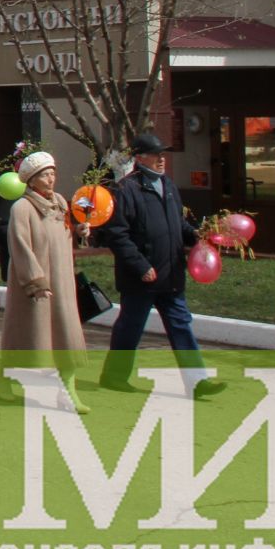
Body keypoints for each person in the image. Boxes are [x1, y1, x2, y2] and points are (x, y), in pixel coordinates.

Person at [96, 132, 223, 398]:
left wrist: (196, 234)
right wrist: (140, 266)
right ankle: (114, 377)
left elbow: (178, 224)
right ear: (140, 158)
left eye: (163, 155)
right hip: (141, 277)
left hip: (171, 275)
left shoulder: (168, 186)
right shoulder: (125, 189)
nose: (162, 160)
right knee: (130, 327)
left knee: (181, 325)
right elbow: (117, 235)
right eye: (156, 155)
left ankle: (198, 382)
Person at [0, 150, 91, 410]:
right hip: (34, 284)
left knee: (66, 337)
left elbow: (65, 235)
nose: (51, 179)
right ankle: (4, 378)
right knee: (24, 336)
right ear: (31, 179)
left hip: (62, 282)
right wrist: (35, 281)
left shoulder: (61, 202)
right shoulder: (22, 208)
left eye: (53, 173)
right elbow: (19, 245)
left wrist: (80, 231)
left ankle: (68, 392)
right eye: (45, 175)